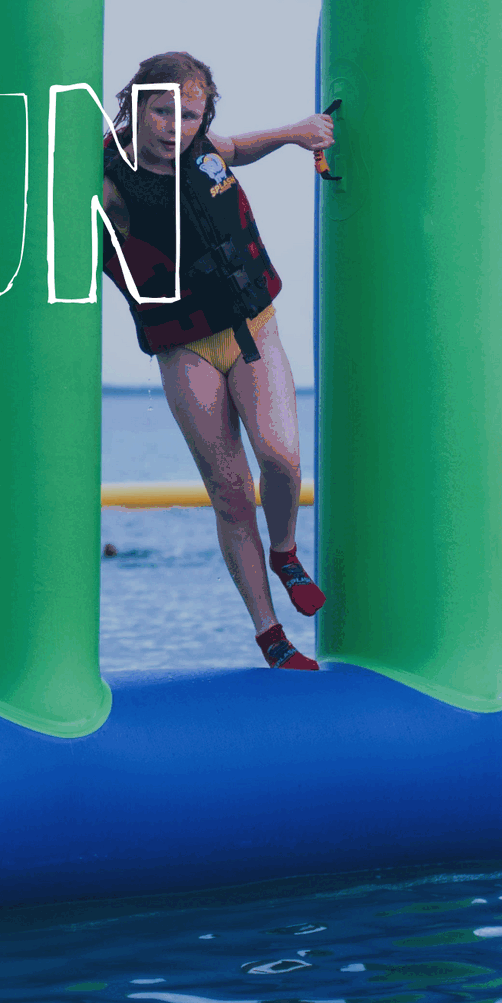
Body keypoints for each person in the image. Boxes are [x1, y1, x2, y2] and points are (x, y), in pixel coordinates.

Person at [100, 50, 334, 671]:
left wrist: (294, 133)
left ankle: (285, 552)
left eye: (189, 115)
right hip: (184, 345)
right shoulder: (108, 175)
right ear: (137, 106)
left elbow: (235, 147)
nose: (175, 127)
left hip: (253, 326)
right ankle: (270, 635)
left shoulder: (203, 146)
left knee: (281, 458)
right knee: (230, 492)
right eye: (162, 112)